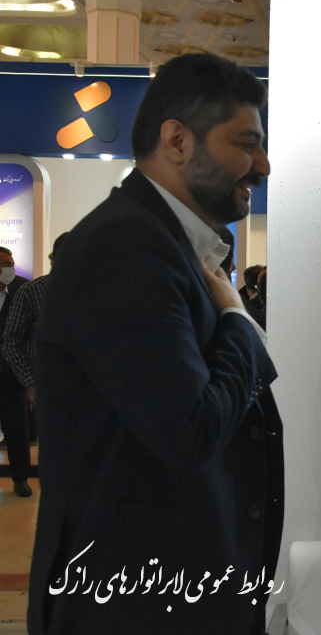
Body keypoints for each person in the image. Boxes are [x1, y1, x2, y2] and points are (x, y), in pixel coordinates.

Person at [28, 54, 283, 635]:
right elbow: (189, 430)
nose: (262, 166)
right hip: (134, 602)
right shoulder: (124, 246)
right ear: (177, 141)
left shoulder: (174, 247)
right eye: (247, 144)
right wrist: (239, 323)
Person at [3, 233, 68, 415]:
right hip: (46, 387)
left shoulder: (94, 292)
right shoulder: (32, 291)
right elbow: (11, 342)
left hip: (86, 389)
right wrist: (31, 383)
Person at [0, 246, 32, 496]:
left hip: (12, 372)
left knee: (16, 427)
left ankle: (21, 478)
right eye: (6, 264)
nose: (11, 268)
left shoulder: (23, 289)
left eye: (12, 263)